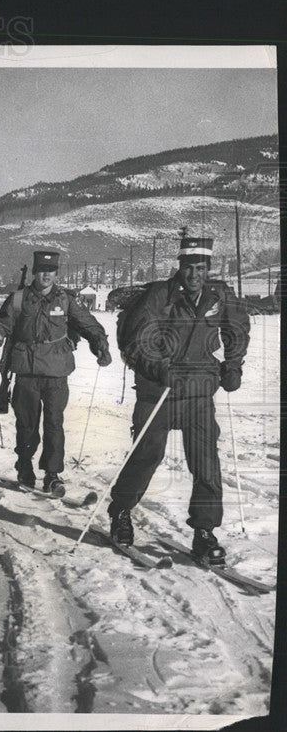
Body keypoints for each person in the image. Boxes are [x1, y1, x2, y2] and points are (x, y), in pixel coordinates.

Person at [106, 237, 249, 565]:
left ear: (209, 269)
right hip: (159, 391)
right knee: (147, 455)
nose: (194, 274)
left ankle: (204, 531)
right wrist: (160, 368)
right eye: (189, 268)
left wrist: (232, 366)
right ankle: (121, 512)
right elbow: (136, 340)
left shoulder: (219, 295)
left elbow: (238, 330)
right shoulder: (160, 296)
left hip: (199, 391)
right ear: (179, 267)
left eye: (201, 268)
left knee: (205, 462)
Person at [0, 252, 111, 496]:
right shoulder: (18, 299)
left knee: (54, 424)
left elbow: (89, 325)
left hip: (57, 372)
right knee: (26, 425)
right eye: (41, 270)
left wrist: (100, 345)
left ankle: (52, 474)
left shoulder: (67, 300)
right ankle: (25, 467)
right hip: (26, 372)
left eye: (50, 270)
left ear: (56, 273)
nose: (46, 275)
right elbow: (2, 324)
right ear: (34, 273)